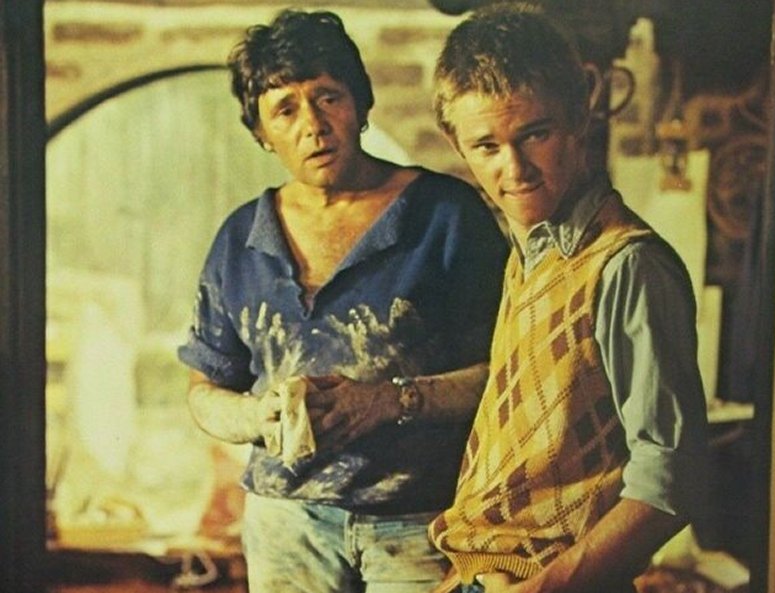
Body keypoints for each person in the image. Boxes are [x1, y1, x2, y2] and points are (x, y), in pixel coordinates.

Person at [176, 9, 509, 593]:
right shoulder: (241, 239)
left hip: (421, 519)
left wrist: (387, 401)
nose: (313, 125)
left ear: (360, 104)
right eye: (285, 109)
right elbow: (204, 390)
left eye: (328, 97)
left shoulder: (445, 216)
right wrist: (257, 417)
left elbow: (504, 375)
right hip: (286, 524)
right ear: (261, 133)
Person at [427, 4, 710, 592]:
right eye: (487, 146)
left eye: (536, 134)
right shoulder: (529, 252)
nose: (515, 169)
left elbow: (670, 481)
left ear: (582, 111)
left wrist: (543, 588)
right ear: (456, 144)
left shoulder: (627, 264)